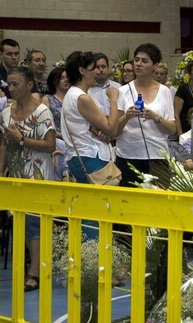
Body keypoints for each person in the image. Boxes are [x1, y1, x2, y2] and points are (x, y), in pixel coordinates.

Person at [0, 66, 56, 292]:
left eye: (15, 84)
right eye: (8, 84)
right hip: (16, 176)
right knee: (19, 223)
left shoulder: (42, 113)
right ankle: (28, 266)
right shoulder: (5, 113)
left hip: (37, 175)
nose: (10, 89)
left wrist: (21, 139)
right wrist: (0, 173)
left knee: (34, 225)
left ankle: (35, 272)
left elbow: (50, 145)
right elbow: (4, 144)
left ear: (29, 85)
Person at [61, 51, 123, 239]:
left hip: (82, 157)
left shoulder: (74, 95)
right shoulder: (82, 97)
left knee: (90, 210)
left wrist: (98, 130)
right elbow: (112, 129)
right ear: (81, 70)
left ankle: (91, 257)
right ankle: (96, 258)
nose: (97, 72)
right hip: (90, 157)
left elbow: (91, 126)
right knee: (97, 212)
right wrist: (114, 98)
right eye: (92, 68)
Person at [116, 43, 176, 186]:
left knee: (157, 202)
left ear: (154, 65)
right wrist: (126, 116)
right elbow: (114, 130)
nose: (139, 64)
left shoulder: (164, 91)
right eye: (136, 60)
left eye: (144, 61)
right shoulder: (123, 91)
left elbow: (172, 129)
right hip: (128, 155)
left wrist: (157, 118)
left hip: (157, 156)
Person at [42, 66, 70, 180]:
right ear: (55, 80)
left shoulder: (73, 98)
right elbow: (45, 125)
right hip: (55, 136)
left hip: (73, 136)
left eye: (67, 77)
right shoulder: (47, 99)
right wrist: (61, 135)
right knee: (60, 144)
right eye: (62, 78)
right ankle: (61, 177)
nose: (66, 80)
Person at [88, 53, 121, 117]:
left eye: (103, 67)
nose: (101, 70)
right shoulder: (87, 90)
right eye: (97, 67)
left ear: (108, 68)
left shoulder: (118, 87)